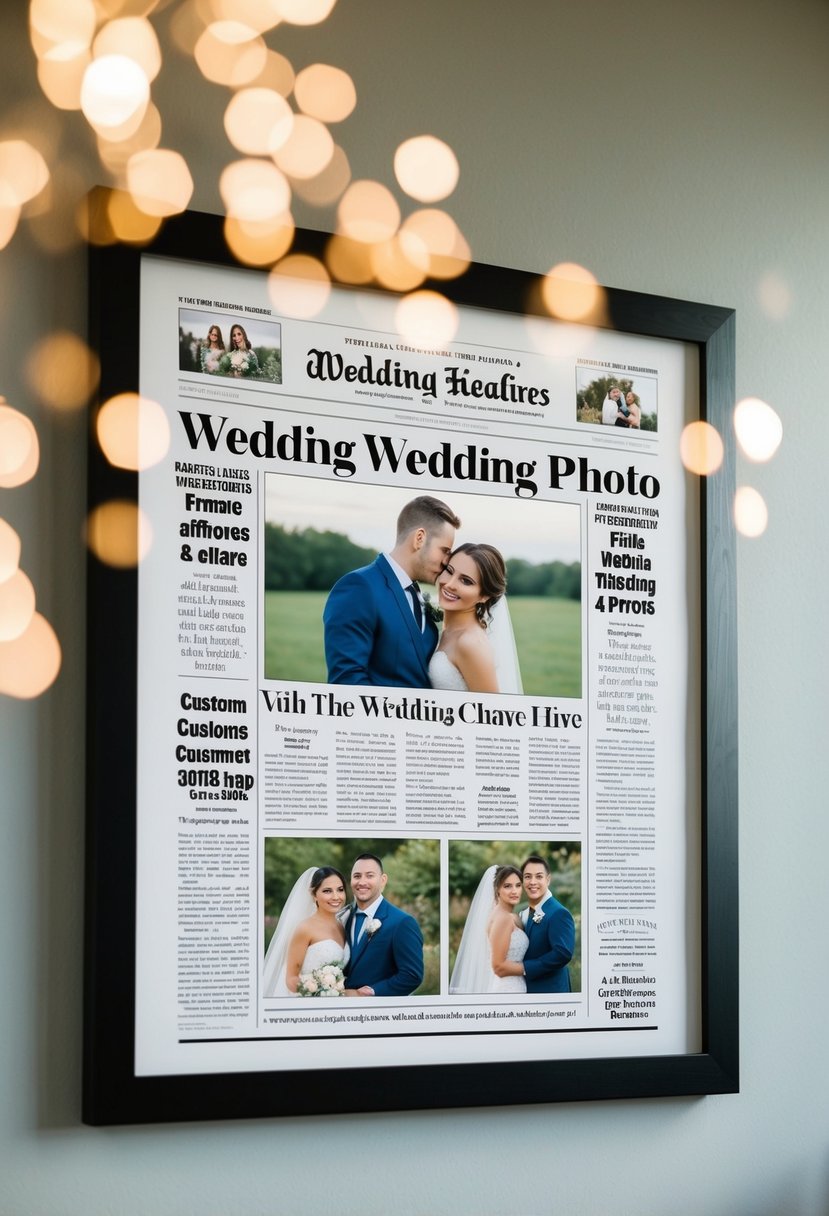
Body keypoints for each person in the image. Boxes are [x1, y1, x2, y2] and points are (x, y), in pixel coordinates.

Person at [323, 495, 461, 687]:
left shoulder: (417, 595)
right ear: (419, 538)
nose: (447, 561)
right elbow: (347, 681)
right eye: (445, 550)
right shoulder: (359, 588)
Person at [428, 543, 523, 694]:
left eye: (466, 581)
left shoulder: (470, 643)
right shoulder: (448, 629)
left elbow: (490, 712)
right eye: (449, 571)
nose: (449, 584)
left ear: (484, 595)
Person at [343, 853, 424, 996]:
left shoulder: (402, 922)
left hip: (376, 1012)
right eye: (357, 876)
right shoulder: (342, 918)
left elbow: (412, 975)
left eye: (369, 875)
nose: (362, 882)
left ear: (383, 880)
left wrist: (373, 991)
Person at [262, 865, 349, 997]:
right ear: (314, 895)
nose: (336, 896)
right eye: (327, 891)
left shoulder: (343, 925)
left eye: (340, 889)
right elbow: (291, 979)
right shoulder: (305, 928)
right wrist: (323, 990)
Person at [449, 864, 529, 994]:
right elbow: (498, 966)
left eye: (518, 885)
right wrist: (533, 968)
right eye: (507, 886)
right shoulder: (502, 919)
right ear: (497, 889)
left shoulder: (507, 916)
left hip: (513, 986)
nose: (514, 891)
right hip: (508, 990)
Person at [520, 853, 575, 993]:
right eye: (527, 877)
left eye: (539, 876)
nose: (532, 882)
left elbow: (562, 953)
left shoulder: (558, 913)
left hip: (551, 992)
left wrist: (524, 968)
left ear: (548, 879)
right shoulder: (522, 914)